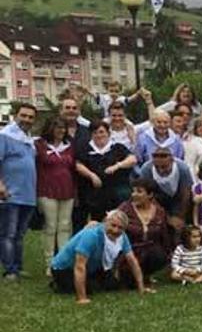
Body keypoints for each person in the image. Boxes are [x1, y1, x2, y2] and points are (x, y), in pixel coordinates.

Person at [50, 209, 155, 304]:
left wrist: (141, 288)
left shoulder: (122, 237)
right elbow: (79, 266)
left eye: (120, 228)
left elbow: (132, 261)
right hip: (64, 268)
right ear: (105, 222)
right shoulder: (91, 235)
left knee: (112, 285)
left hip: (92, 267)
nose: (115, 230)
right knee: (90, 288)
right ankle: (57, 284)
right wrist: (82, 298)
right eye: (113, 225)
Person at [35, 116, 77, 274]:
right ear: (50, 128)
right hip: (47, 190)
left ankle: (63, 262)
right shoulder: (39, 145)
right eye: (57, 127)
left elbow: (73, 168)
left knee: (65, 226)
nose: (61, 130)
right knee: (50, 226)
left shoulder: (69, 145)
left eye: (63, 127)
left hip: (67, 190)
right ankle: (49, 262)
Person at [0, 103, 38, 280]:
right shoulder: (4, 136)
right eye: (23, 115)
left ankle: (18, 266)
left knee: (20, 235)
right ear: (16, 116)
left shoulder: (28, 140)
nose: (27, 120)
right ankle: (10, 270)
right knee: (8, 234)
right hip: (10, 194)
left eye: (31, 117)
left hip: (28, 196)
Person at [75, 121, 138, 221]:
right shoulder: (86, 149)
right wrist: (91, 175)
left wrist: (117, 166)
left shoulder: (117, 147)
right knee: (97, 223)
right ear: (91, 134)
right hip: (95, 196)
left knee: (118, 221)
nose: (99, 135)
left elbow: (132, 159)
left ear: (108, 133)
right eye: (95, 132)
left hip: (116, 195)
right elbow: (78, 165)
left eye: (101, 132)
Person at [117, 179, 171, 281]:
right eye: (133, 191)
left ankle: (145, 275)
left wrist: (169, 255)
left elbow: (164, 235)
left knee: (158, 255)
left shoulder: (160, 211)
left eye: (139, 191)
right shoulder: (125, 208)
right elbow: (110, 222)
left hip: (150, 251)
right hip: (128, 252)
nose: (134, 194)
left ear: (150, 195)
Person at [136, 147, 193, 238]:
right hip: (157, 200)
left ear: (172, 161)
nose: (161, 170)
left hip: (178, 200)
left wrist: (180, 217)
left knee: (179, 227)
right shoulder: (146, 170)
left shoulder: (183, 169)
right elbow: (147, 196)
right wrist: (167, 218)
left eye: (164, 167)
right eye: (157, 167)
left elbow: (186, 195)